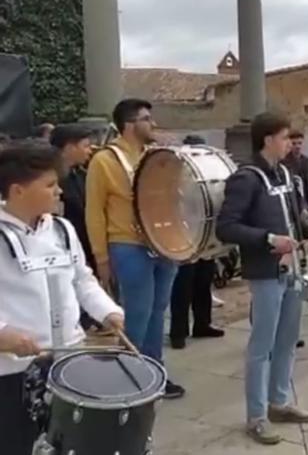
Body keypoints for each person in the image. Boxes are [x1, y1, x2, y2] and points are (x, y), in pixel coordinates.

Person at [0, 142, 124, 455]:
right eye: (50, 185)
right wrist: (4, 333)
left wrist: (108, 311)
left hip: (69, 360)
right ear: (17, 191)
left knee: (70, 444)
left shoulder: (62, 229)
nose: (59, 192)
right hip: (14, 371)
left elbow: (82, 280)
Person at [216, 112, 308, 444]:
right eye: (283, 137)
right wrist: (268, 239)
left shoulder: (286, 174)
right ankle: (257, 416)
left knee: (288, 339)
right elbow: (227, 227)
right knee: (261, 346)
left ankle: (279, 402)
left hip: (293, 267)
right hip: (265, 272)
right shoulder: (246, 178)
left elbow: (297, 219)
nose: (289, 144)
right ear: (267, 140)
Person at [85, 98, 185, 398]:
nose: (152, 124)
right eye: (146, 119)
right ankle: (127, 377)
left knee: (158, 312)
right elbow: (94, 210)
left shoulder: (154, 155)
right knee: (136, 315)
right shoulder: (105, 160)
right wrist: (101, 257)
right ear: (129, 125)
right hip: (128, 245)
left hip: (161, 244)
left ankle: (154, 372)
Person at [168, 134, 225, 350]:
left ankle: (203, 324)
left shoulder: (206, 171)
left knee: (203, 281)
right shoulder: (177, 172)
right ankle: (178, 332)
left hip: (204, 234)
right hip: (185, 235)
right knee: (182, 286)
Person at [50, 125, 100, 330]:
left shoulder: (81, 175)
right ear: (69, 147)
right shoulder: (52, 179)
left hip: (84, 243)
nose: (90, 150)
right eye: (85, 145)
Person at [282, 130, 308, 209]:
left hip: (305, 198)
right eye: (294, 144)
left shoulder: (306, 161)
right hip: (292, 199)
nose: (297, 146)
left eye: (300, 143)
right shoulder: (284, 161)